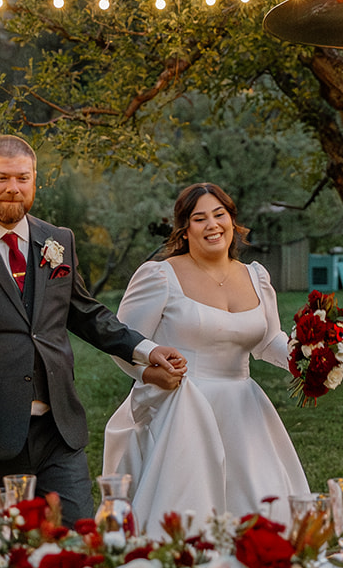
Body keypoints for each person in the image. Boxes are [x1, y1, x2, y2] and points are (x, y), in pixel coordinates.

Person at [0, 135, 186, 522]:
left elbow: (85, 313)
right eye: (1, 178)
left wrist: (145, 350)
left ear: (34, 180)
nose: (13, 189)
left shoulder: (58, 240)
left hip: (59, 429)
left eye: (23, 178)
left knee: (76, 545)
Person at [102, 183, 310, 535]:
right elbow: (124, 344)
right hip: (181, 406)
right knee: (187, 514)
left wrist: (308, 358)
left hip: (244, 409)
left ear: (232, 221)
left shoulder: (256, 277)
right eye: (200, 218)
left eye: (219, 215)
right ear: (185, 229)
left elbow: (267, 340)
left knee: (258, 506)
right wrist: (152, 376)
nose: (212, 225)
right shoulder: (159, 276)